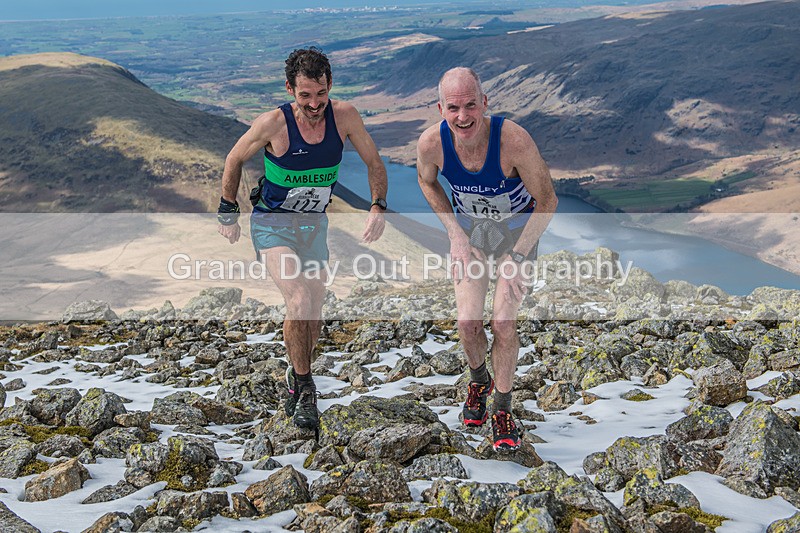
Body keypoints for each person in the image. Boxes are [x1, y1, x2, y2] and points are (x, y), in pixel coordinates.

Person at [217, 47, 388, 431]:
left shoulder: (345, 117)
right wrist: (228, 211)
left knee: (312, 309)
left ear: (330, 86)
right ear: (290, 89)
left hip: (314, 226)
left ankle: (296, 377)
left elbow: (374, 162)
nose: (314, 104)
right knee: (296, 297)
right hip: (272, 225)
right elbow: (233, 159)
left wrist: (378, 205)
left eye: (321, 94)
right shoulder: (273, 123)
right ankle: (307, 388)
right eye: (305, 95)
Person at [416, 67, 557, 451]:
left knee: (503, 321)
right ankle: (479, 379)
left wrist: (518, 254)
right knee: (467, 323)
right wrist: (455, 235)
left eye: (471, 106)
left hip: (517, 234)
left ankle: (502, 407)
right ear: (440, 108)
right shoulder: (432, 144)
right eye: (454, 108)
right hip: (473, 234)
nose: (463, 117)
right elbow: (426, 181)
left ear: (485, 103)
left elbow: (548, 201)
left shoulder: (513, 141)